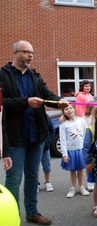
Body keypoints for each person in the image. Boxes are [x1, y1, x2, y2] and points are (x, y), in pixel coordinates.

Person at [0, 40, 68, 225]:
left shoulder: (34, 76)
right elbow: (2, 103)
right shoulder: (2, 75)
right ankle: (11, 215)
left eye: (32, 52)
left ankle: (32, 212)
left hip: (36, 135)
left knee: (32, 176)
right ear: (15, 53)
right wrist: (25, 102)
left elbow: (48, 95)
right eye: (26, 52)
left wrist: (59, 101)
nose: (30, 55)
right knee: (13, 179)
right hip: (15, 137)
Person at [60, 105, 90, 198]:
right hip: (70, 151)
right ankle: (73, 187)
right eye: (66, 109)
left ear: (74, 109)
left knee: (80, 169)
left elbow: (86, 135)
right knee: (72, 170)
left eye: (70, 108)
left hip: (80, 150)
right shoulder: (64, 125)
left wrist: (87, 149)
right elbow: (63, 140)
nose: (69, 110)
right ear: (64, 112)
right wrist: (65, 154)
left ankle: (81, 187)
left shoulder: (81, 121)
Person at [38, 114, 55, 193]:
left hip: (45, 146)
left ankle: (47, 182)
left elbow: (52, 130)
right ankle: (36, 183)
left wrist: (48, 142)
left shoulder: (46, 117)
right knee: (35, 166)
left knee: (46, 165)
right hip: (34, 147)